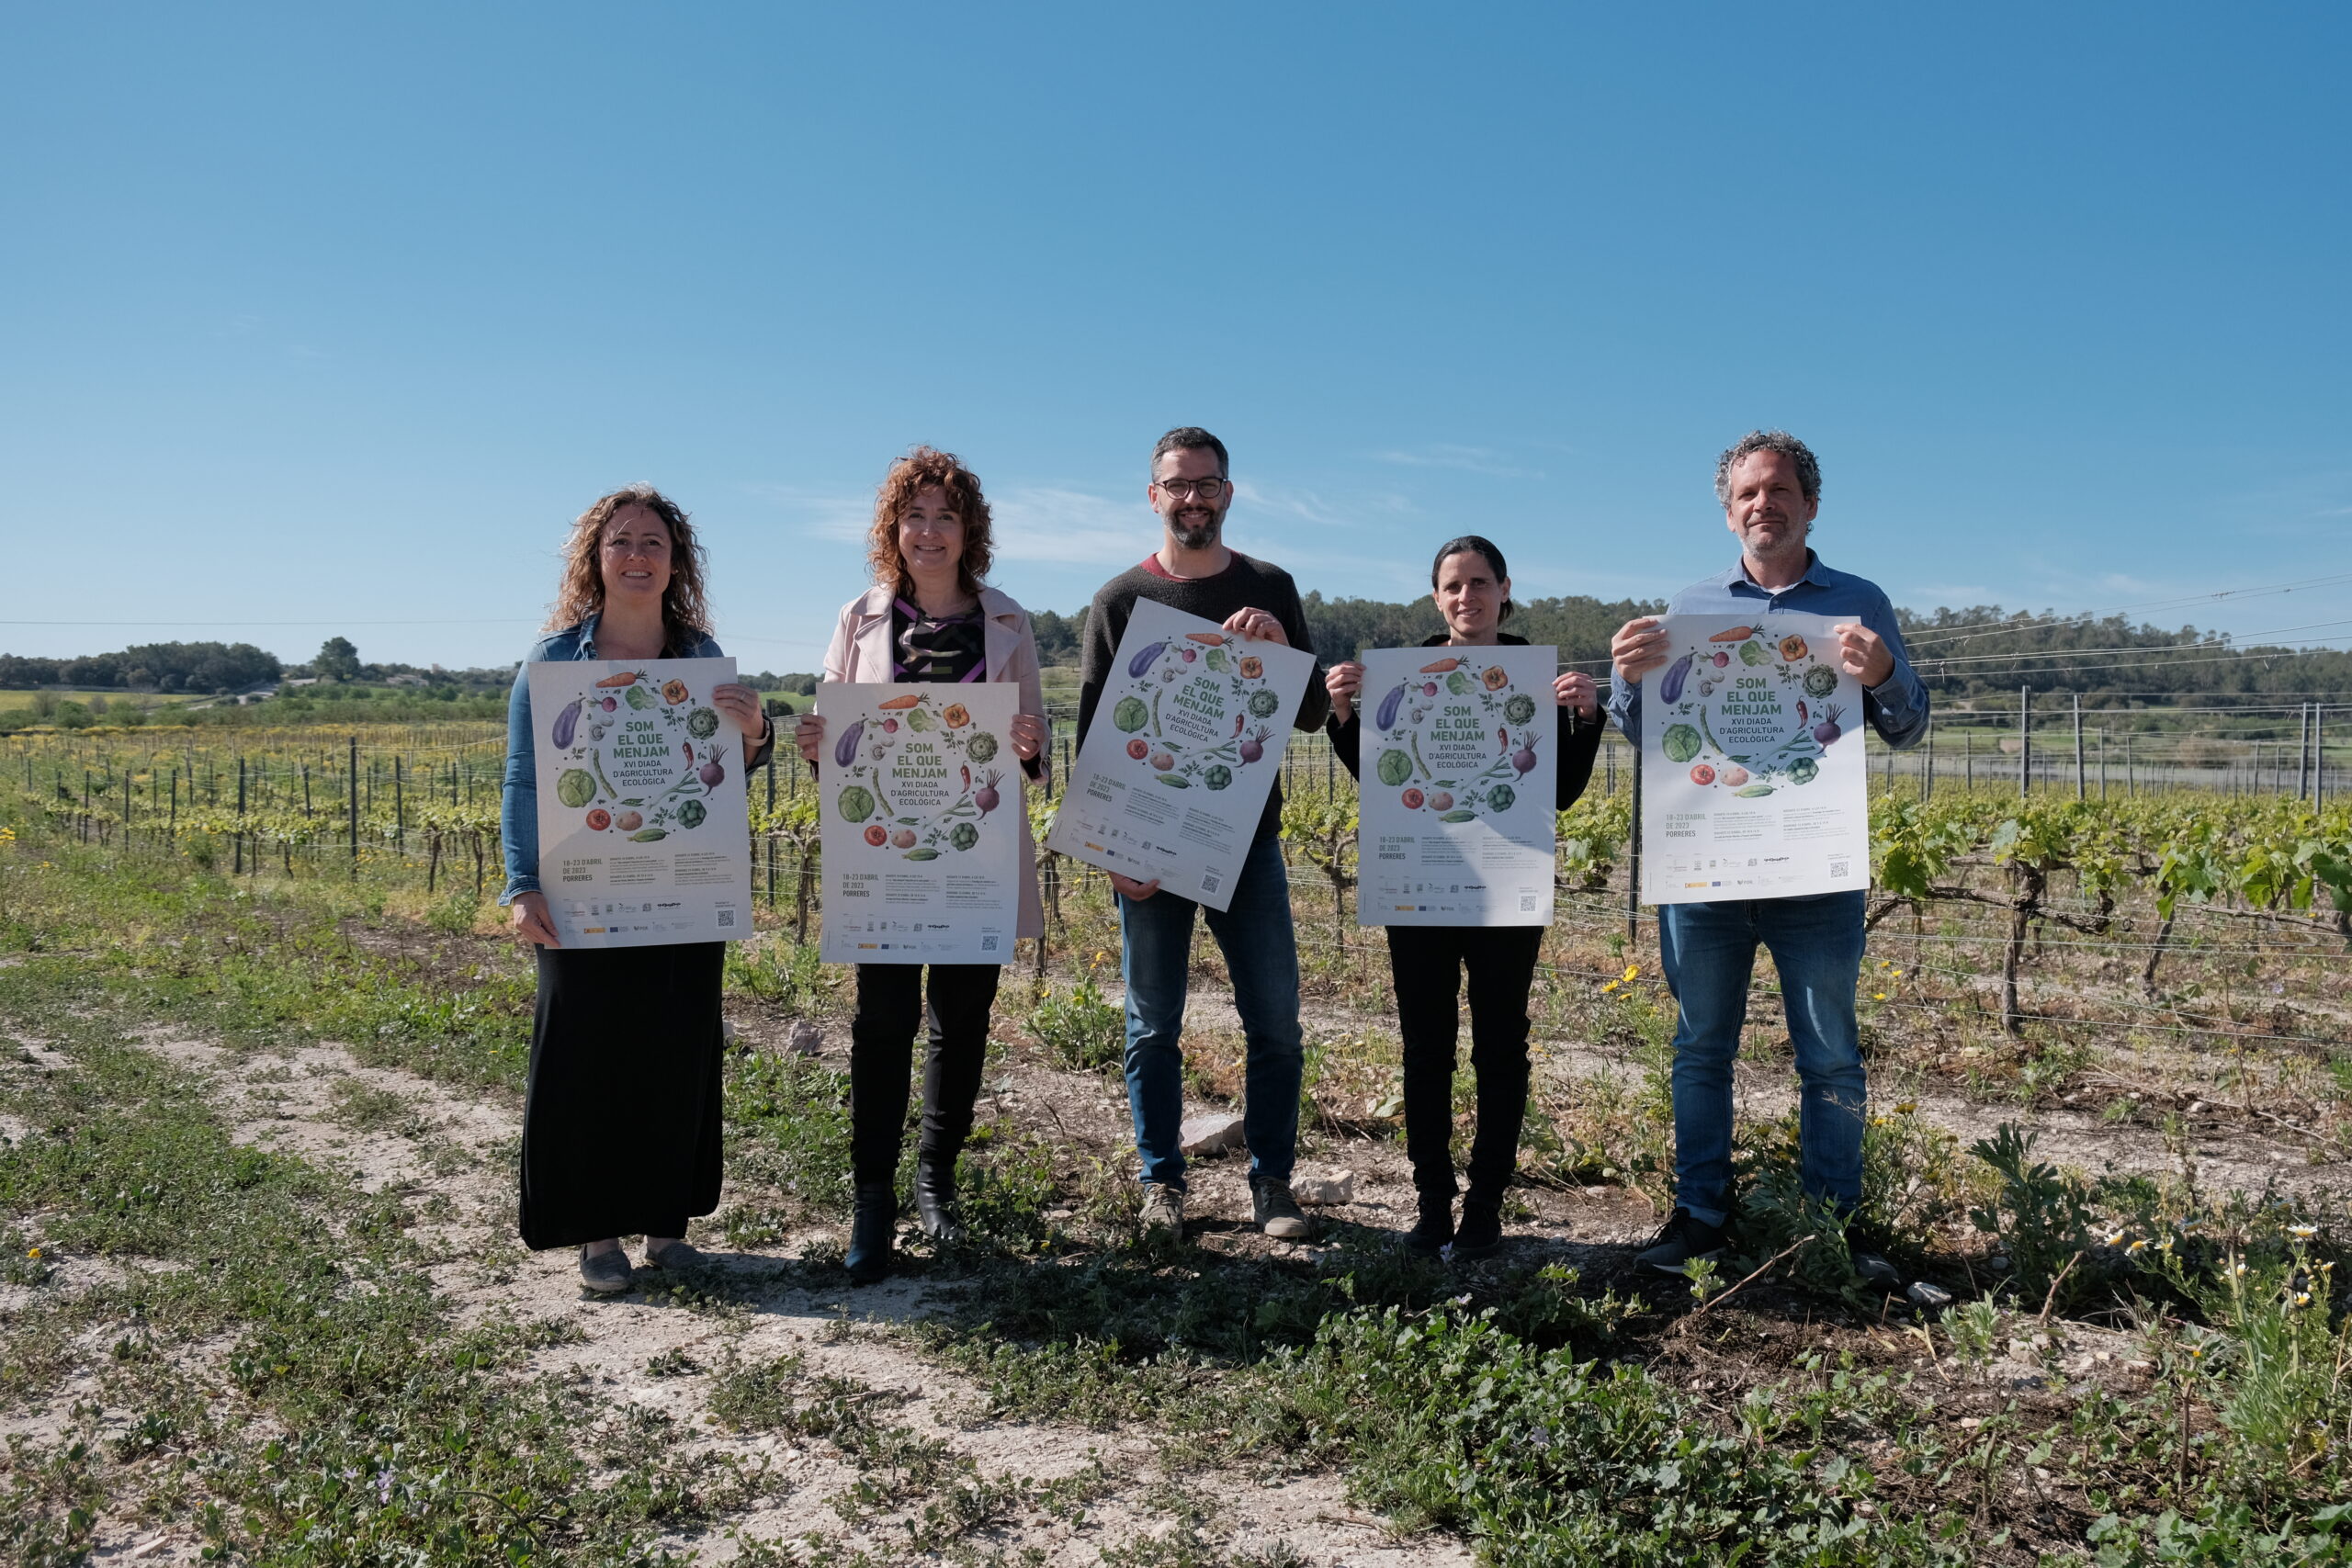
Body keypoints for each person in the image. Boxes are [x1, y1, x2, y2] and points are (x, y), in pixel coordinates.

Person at [1606, 431, 1928, 1283]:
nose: (1763, 504)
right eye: (1747, 493)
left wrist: (1887, 670)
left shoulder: (1859, 601)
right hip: (1708, 869)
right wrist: (1626, 681)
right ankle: (1700, 1214)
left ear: (1810, 505)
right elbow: (1652, 735)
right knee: (1700, 1045)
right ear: (1727, 510)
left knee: (1828, 1050)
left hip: (1813, 871)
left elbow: (1908, 723)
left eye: (1779, 490)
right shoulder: (1690, 605)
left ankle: (1835, 1223)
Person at [502, 485, 775, 1294]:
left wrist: (754, 732)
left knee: (674, 1050)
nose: (636, 554)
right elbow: (524, 779)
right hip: (583, 890)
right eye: (621, 540)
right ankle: (595, 1232)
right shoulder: (551, 664)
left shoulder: (699, 656)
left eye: (652, 542)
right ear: (596, 557)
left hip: (681, 892)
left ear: (674, 561)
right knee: (586, 1052)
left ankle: (665, 1226)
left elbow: (732, 768)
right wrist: (522, 885)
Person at [794, 447, 1050, 1283]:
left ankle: (935, 1181)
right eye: (915, 516)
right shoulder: (857, 619)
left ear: (968, 529)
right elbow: (838, 743)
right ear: (892, 530)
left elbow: (1034, 740)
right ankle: (872, 1198)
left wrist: (1029, 745)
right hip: (887, 859)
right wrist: (814, 745)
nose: (929, 531)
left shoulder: (1006, 621)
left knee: (962, 1020)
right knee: (882, 1022)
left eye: (946, 516)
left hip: (972, 855)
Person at [1076, 426, 1329, 1240]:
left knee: (1277, 1022)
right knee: (1153, 1023)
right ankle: (1162, 1183)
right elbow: (1091, 737)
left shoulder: (1271, 585)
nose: (1193, 498)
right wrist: (1109, 849)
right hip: (1147, 845)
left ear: (1229, 491)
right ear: (1154, 497)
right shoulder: (1120, 602)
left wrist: (1287, 651)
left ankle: (1273, 1181)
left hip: (1247, 841)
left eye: (1207, 483)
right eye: (1177, 485)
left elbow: (1316, 714)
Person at [1325, 536, 1603, 1258]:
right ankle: (1430, 1202)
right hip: (1422, 880)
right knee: (1426, 1046)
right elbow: (1379, 781)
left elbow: (1565, 792)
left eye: (1480, 582)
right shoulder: (1402, 675)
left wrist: (1587, 717)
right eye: (1452, 585)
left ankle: (1485, 1203)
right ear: (1436, 596)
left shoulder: (1530, 678)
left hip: (1504, 886)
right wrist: (1346, 715)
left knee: (1501, 1046)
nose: (1466, 596)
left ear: (1505, 589)